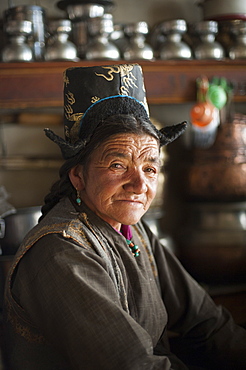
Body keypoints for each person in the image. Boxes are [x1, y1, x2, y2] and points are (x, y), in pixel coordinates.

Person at [3, 64, 246, 370]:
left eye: (149, 168)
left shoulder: (134, 230)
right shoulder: (61, 252)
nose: (139, 184)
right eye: (118, 165)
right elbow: (133, 365)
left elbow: (206, 322)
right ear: (79, 175)